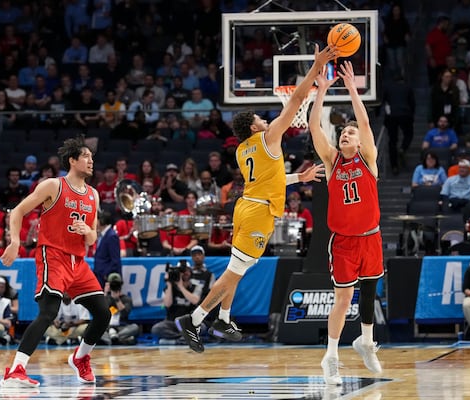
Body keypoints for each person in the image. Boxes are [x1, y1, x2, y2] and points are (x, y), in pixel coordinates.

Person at [175, 44, 337, 353]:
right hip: (257, 213)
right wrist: (316, 68)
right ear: (254, 127)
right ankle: (194, 320)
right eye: (261, 120)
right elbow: (297, 99)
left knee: (239, 267)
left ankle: (223, 317)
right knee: (234, 272)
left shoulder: (241, 150)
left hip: (248, 207)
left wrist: (296, 178)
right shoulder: (270, 136)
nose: (266, 120)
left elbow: (265, 181)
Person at [0, 136, 111, 388]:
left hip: (78, 262)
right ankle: (15, 370)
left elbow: (92, 237)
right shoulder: (53, 186)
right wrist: (15, 242)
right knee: (49, 312)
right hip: (54, 255)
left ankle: (81, 357)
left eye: (92, 157)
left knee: (103, 313)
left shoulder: (93, 194)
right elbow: (17, 211)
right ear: (72, 160)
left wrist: (86, 231)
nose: (91, 161)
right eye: (85, 157)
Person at [309, 60, 383, 385]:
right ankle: (331, 357)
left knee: (369, 291)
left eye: (349, 133)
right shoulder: (331, 160)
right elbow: (314, 129)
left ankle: (366, 342)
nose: (345, 134)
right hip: (343, 241)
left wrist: (352, 88)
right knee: (342, 300)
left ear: (359, 142)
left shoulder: (368, 159)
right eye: (342, 132)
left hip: (372, 237)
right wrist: (321, 92)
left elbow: (364, 122)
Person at [151, 259, 209, 343]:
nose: (185, 273)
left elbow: (195, 301)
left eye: (187, 271)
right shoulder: (169, 288)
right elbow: (167, 304)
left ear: (191, 272)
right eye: (182, 271)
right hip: (173, 322)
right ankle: (183, 339)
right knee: (156, 329)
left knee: (202, 327)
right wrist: (169, 284)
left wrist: (181, 287)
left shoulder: (196, 287)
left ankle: (178, 340)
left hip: (190, 323)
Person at [100, 273, 139, 345]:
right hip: (107, 328)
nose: (115, 287)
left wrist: (117, 299)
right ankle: (120, 340)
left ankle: (113, 339)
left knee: (135, 327)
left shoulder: (127, 299)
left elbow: (124, 313)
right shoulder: (106, 298)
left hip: (121, 327)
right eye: (112, 284)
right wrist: (105, 293)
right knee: (96, 329)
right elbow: (100, 313)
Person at [93, 210, 121, 287]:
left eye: (97, 220)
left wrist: (106, 274)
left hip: (105, 278)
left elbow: (115, 259)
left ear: (102, 221)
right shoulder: (103, 235)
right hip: (99, 275)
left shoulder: (111, 236)